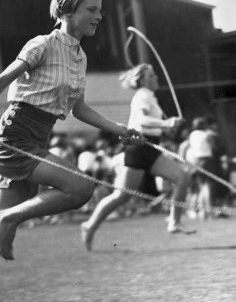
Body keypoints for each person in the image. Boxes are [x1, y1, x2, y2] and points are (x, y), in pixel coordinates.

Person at [0, 0, 141, 302]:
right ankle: (9, 217)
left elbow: (79, 109)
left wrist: (120, 129)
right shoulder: (43, 44)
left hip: (36, 140)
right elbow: (2, 80)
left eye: (100, 10)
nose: (100, 16)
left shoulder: (79, 57)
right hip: (14, 138)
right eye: (91, 10)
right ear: (67, 10)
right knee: (81, 187)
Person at [81, 63, 194, 251]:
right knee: (121, 195)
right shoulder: (142, 95)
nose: (156, 77)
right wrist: (167, 123)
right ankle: (89, 225)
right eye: (151, 75)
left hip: (151, 148)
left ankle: (174, 222)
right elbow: (141, 120)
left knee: (183, 178)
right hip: (139, 149)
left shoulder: (149, 97)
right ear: (142, 80)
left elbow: (151, 124)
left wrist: (166, 126)